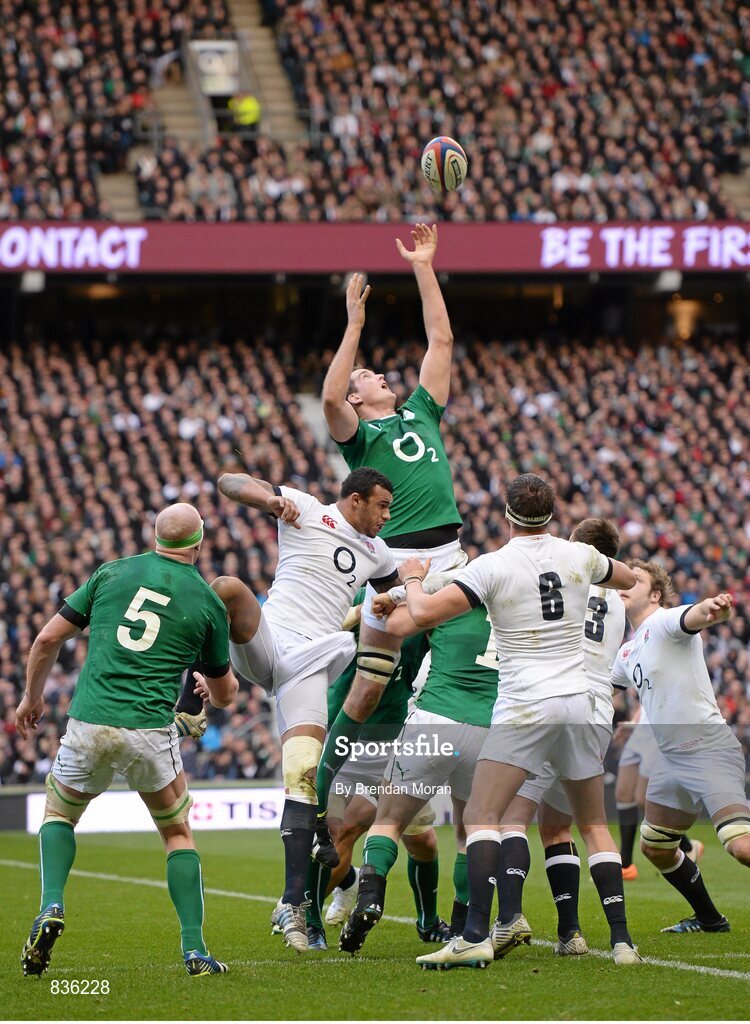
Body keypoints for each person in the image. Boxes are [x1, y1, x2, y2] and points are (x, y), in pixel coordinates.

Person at [392, 474, 642, 969]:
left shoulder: (494, 565)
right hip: (580, 705)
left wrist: (413, 579)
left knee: (481, 816)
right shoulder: (580, 556)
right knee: (593, 825)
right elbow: (629, 579)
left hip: (526, 705)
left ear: (507, 515)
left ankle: (474, 936)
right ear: (552, 514)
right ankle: (622, 943)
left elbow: (421, 615)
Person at [17, 504, 238, 978]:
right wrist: (208, 693)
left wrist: (31, 698)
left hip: (90, 721)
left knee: (60, 815)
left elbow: (46, 640)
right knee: (176, 833)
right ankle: (195, 951)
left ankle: (52, 905)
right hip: (149, 729)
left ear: (156, 536)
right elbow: (224, 692)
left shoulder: (111, 572)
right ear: (199, 542)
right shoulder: (207, 602)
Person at [215, 466, 400, 953]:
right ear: (356, 500)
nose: (386, 515)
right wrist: (269, 501)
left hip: (310, 663)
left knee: (303, 775)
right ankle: (207, 686)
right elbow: (228, 482)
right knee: (228, 587)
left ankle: (292, 905)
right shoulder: (307, 509)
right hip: (269, 641)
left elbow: (393, 600)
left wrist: (397, 595)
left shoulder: (379, 553)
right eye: (382, 505)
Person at [318, 223, 465, 830]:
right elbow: (330, 400)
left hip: (452, 558)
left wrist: (424, 267)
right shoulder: (360, 437)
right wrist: (353, 326)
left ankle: (453, 801)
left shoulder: (421, 411)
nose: (378, 374)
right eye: (367, 375)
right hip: (395, 566)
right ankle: (326, 785)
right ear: (358, 399)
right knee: (373, 687)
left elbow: (442, 339)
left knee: (462, 677)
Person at [490, 518, 627, 958]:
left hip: (551, 700)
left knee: (512, 818)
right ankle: (594, 936)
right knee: (567, 827)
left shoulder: (564, 581)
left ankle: (509, 918)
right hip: (595, 714)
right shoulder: (618, 603)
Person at [338, 599, 497, 956]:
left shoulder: (450, 600)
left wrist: (391, 597)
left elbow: (395, 624)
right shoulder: (515, 606)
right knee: (469, 833)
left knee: (388, 821)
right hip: (489, 728)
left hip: (436, 718)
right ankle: (463, 926)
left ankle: (369, 897)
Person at [303, 593, 448, 951]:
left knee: (423, 842)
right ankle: (309, 920)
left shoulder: (423, 604)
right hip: (344, 733)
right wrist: (357, 613)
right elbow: (315, 633)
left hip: (396, 737)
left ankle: (428, 921)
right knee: (339, 830)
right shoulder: (361, 597)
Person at [612, 560, 750, 934]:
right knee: (656, 846)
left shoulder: (664, 621)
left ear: (655, 594)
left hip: (707, 748)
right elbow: (603, 690)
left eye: (635, 580)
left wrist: (713, 608)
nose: (624, 584)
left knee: (740, 847)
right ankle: (710, 920)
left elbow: (695, 616)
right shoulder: (627, 651)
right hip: (670, 759)